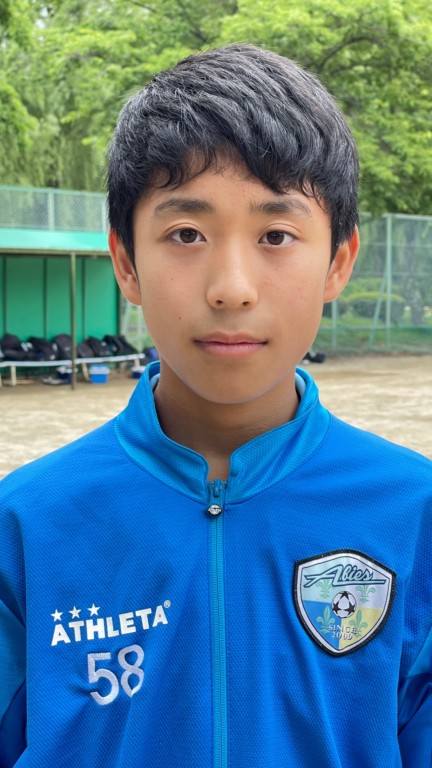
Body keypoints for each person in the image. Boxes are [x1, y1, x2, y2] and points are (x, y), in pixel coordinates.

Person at [0, 43, 431, 768]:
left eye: (276, 235)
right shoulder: (26, 525)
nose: (232, 287)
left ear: (337, 262)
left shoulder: (414, 513)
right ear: (126, 262)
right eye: (187, 234)